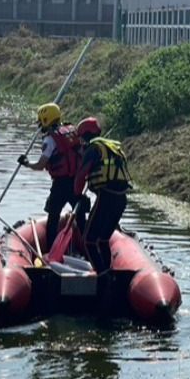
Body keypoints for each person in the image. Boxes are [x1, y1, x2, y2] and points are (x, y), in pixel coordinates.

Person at [18, 103, 82, 250]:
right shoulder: (71, 131)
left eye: (40, 122)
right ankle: (86, 248)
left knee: (53, 217)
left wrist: (26, 163)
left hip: (60, 184)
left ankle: (51, 250)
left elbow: (41, 165)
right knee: (81, 217)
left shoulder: (50, 140)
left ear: (46, 120)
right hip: (77, 182)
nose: (39, 125)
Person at [72, 117, 131, 275]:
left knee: (89, 240)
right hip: (121, 199)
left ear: (84, 136)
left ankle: (102, 275)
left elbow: (81, 176)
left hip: (106, 198)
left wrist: (78, 195)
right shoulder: (112, 147)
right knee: (103, 239)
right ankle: (108, 272)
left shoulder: (93, 149)